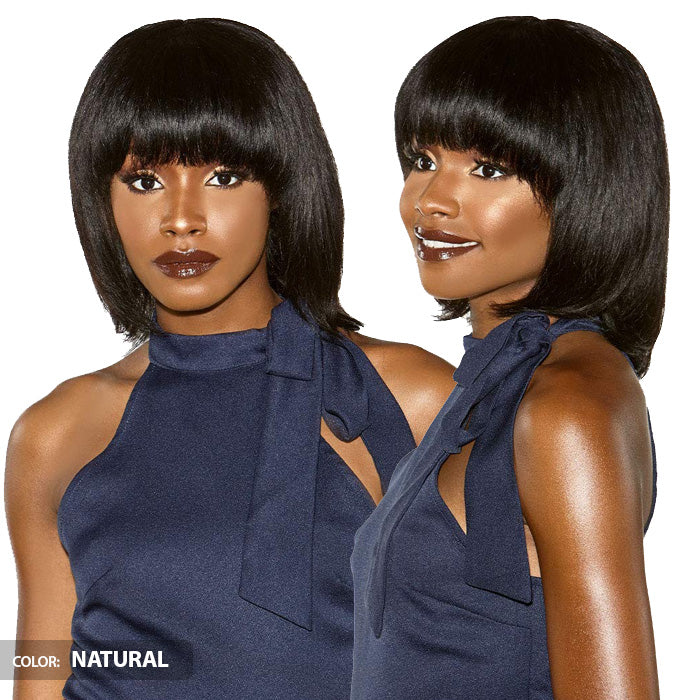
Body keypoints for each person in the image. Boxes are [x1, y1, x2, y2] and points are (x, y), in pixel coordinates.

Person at [4, 18, 455, 699]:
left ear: (282, 188)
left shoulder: (407, 398)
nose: (181, 218)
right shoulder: (54, 432)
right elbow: (40, 670)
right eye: (144, 181)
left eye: (223, 175)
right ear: (101, 199)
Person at [351, 16, 666, 699]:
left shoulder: (568, 405)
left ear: (587, 188)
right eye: (423, 160)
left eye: (488, 169)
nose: (430, 201)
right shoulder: (493, 388)